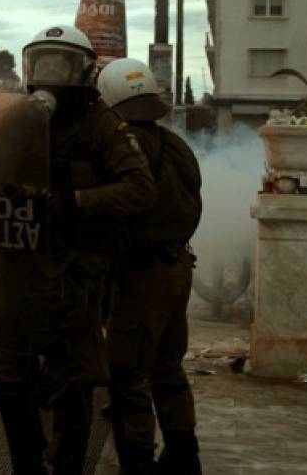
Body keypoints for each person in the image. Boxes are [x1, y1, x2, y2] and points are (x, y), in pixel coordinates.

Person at [0, 26, 156, 475]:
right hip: (18, 269)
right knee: (8, 382)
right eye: (41, 63)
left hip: (73, 276)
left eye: (61, 65)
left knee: (73, 386)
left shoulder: (102, 124)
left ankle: (66, 468)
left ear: (84, 72)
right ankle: (27, 465)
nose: (49, 76)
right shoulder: (18, 118)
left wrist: (77, 200)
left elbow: (140, 189)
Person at [96, 58, 203, 474]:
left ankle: (137, 463)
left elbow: (128, 202)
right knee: (167, 366)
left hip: (143, 275)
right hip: (176, 266)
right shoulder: (172, 142)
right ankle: (183, 455)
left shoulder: (127, 145)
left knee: (127, 374)